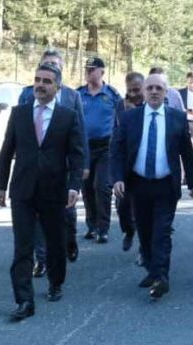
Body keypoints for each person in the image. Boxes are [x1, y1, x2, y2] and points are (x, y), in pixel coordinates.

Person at [0, 63, 84, 321]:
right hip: (22, 189)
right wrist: (1, 185)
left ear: (57, 86)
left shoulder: (67, 116)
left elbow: (76, 155)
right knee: (22, 246)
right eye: (37, 80)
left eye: (47, 81)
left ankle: (56, 281)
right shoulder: (20, 113)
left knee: (55, 241)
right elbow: (7, 151)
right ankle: (24, 300)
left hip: (54, 190)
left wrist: (74, 185)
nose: (40, 85)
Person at [111, 74, 193, 299]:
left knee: (161, 231)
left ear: (166, 92)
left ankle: (161, 277)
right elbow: (117, 149)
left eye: (158, 88)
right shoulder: (130, 117)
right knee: (145, 230)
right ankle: (152, 270)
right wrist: (118, 178)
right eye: (149, 87)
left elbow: (186, 153)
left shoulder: (177, 118)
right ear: (143, 91)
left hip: (166, 184)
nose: (153, 92)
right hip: (138, 184)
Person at [17, 50, 89, 276]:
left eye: (55, 65)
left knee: (66, 213)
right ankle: (42, 259)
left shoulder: (71, 96)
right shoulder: (27, 95)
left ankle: (69, 239)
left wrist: (83, 165)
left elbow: (80, 133)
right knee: (37, 218)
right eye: (46, 64)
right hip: (33, 171)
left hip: (63, 167)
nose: (50, 68)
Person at [78, 57, 124, 243]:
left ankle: (103, 228)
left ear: (102, 72)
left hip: (106, 147)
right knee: (87, 187)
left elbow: (121, 121)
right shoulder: (79, 94)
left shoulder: (112, 95)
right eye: (87, 69)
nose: (89, 72)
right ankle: (92, 225)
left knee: (102, 186)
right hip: (84, 147)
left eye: (93, 69)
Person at [117, 72, 145, 253]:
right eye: (130, 91)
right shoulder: (121, 105)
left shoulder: (151, 104)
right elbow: (117, 135)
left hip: (145, 163)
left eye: (137, 90)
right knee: (122, 205)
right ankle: (128, 230)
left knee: (143, 208)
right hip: (126, 163)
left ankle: (144, 248)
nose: (133, 94)